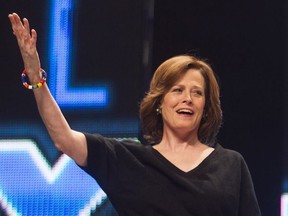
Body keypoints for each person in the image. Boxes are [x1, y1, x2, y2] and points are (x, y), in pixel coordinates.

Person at [8, 12, 261, 216]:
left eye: (197, 93)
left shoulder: (231, 165)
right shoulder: (129, 160)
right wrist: (35, 78)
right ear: (160, 102)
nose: (187, 98)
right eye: (178, 90)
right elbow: (63, 138)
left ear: (205, 108)